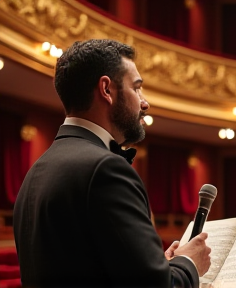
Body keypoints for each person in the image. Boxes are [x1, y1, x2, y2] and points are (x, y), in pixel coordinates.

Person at [13, 39, 211, 288]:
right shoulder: (106, 169)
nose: (145, 102)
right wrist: (189, 263)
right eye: (137, 88)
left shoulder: (36, 171)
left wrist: (156, 264)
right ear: (106, 89)